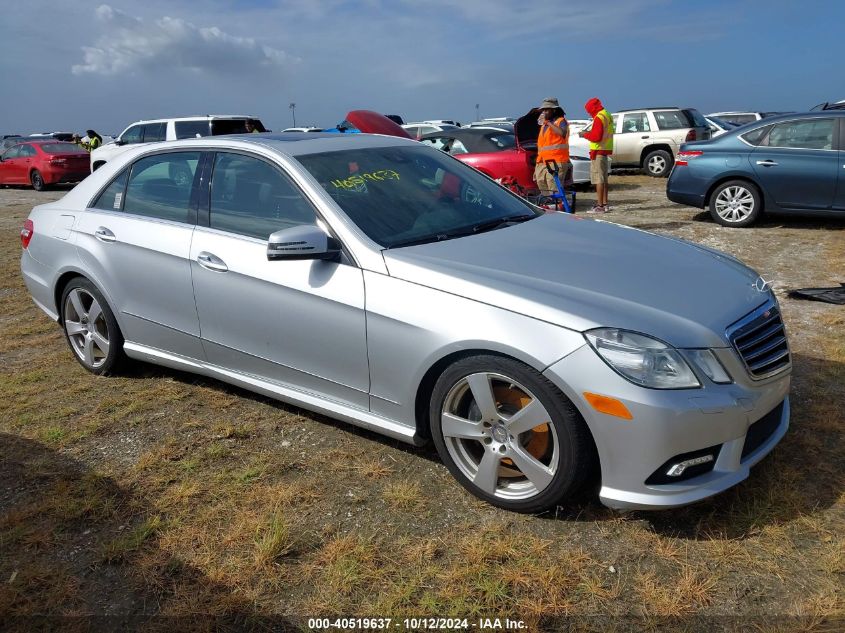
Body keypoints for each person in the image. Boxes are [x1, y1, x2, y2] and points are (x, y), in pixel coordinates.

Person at [579, 97, 614, 213]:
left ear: (592, 108)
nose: (589, 112)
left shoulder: (599, 118)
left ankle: (599, 206)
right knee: (604, 179)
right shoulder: (607, 115)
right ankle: (605, 204)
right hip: (605, 150)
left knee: (598, 179)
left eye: (589, 110)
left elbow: (596, 137)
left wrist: (585, 134)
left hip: (598, 151)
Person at [533, 97, 571, 198]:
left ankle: (557, 206)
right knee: (542, 184)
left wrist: (549, 123)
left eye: (546, 110)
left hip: (557, 160)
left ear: (553, 110)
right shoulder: (543, 124)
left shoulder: (560, 121)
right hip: (542, 161)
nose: (544, 112)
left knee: (554, 187)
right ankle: (549, 204)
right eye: (543, 110)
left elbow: (562, 133)